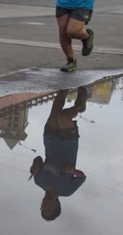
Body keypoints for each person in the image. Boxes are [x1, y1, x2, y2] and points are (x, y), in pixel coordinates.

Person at [30, 87, 88, 221]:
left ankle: (66, 84)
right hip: (68, 142)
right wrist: (72, 170)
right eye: (49, 209)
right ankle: (79, 106)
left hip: (49, 139)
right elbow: (82, 177)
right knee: (62, 116)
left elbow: (38, 158)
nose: (45, 206)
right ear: (57, 205)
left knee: (56, 110)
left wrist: (35, 166)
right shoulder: (67, 191)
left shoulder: (38, 181)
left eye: (43, 208)